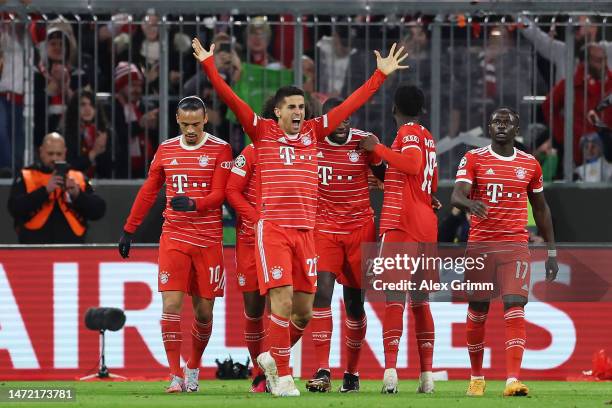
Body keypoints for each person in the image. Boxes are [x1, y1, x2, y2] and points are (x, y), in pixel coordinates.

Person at [193, 37, 407, 397]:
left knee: (304, 313)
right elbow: (230, 98)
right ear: (276, 111)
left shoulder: (313, 132)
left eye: (301, 106)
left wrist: (379, 76)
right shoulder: (260, 133)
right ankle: (285, 378)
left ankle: (271, 359)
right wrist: (210, 65)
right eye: (290, 106)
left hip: (307, 232)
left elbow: (352, 103)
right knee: (282, 298)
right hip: (273, 230)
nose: (297, 111)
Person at [117, 96, 232, 393]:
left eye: (196, 123)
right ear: (177, 121)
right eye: (185, 124)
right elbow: (148, 191)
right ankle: (174, 375)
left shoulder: (221, 149)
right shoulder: (166, 149)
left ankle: (193, 365)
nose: (190, 130)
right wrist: (129, 230)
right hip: (175, 237)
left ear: (205, 119)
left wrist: (195, 203)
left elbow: (220, 194)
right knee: (171, 305)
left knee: (204, 312)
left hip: (208, 240)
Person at [450, 107, 558, 397]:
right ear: (489, 127)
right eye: (496, 121)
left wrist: (551, 251)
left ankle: (512, 379)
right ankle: (476, 376)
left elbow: (541, 208)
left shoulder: (530, 164)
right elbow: (457, 193)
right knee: (478, 310)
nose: (500, 126)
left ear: (516, 129)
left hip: (515, 246)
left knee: (514, 305)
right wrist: (469, 203)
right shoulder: (474, 158)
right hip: (481, 247)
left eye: (506, 122)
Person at [360, 84, 439, 394]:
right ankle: (426, 377)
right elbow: (420, 178)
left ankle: (390, 372)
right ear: (422, 110)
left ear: (394, 108)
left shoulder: (407, 132)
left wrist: (376, 148)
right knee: (420, 303)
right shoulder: (429, 137)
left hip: (402, 224)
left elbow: (411, 164)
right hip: (426, 225)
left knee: (395, 299)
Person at [305, 97, 383, 393]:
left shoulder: (364, 142)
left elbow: (386, 179)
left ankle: (351, 372)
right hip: (323, 230)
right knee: (321, 293)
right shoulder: (312, 142)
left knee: (354, 304)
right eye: (335, 120)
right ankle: (323, 370)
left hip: (359, 231)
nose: (342, 125)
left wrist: (376, 153)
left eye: (347, 120)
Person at [7, 132, 106, 244]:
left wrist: (78, 195)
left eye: (58, 154)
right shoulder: (26, 175)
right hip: (34, 249)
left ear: (65, 153)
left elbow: (99, 210)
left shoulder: (78, 177)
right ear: (41, 152)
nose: (54, 158)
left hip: (72, 250)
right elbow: (14, 208)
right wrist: (45, 191)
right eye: (50, 153)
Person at [225, 143, 267, 393]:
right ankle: (259, 371)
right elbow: (232, 191)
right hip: (250, 241)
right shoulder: (251, 152)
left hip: (281, 240)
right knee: (253, 311)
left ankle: (273, 370)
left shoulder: (298, 150)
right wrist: (256, 219)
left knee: (281, 308)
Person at [543, 43, 612, 166]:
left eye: (605, 59)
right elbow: (548, 106)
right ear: (585, 62)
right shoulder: (571, 83)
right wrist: (562, 135)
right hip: (577, 150)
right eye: (598, 60)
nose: (603, 65)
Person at [108, 61, 158, 178]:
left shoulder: (147, 107)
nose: (136, 89)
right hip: (120, 170)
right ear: (120, 86)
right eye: (132, 85)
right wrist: (139, 125)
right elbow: (116, 137)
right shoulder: (111, 108)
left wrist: (155, 126)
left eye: (139, 85)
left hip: (147, 169)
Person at [61, 91, 111, 178]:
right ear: (75, 108)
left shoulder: (106, 133)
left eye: (92, 105)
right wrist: (93, 153)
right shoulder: (66, 134)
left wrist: (103, 151)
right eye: (83, 105)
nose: (88, 109)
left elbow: (112, 167)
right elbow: (69, 166)